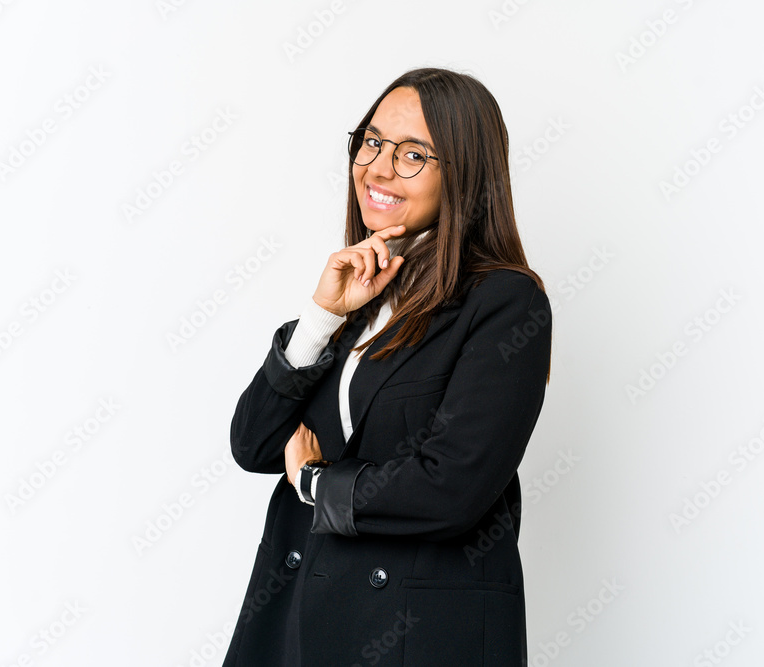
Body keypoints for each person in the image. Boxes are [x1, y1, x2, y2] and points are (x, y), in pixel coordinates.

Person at [222, 66, 553, 667]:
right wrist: (322, 314)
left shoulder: (505, 302)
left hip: (417, 636)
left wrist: (314, 484)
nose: (376, 168)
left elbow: (452, 487)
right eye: (371, 142)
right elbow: (253, 443)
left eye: (412, 154)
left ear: (466, 171)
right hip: (300, 620)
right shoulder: (359, 291)